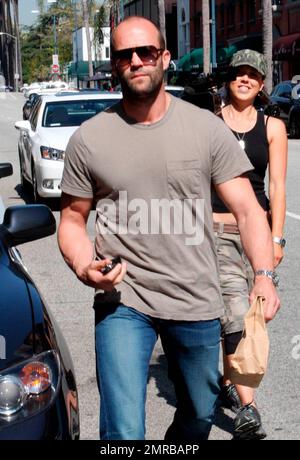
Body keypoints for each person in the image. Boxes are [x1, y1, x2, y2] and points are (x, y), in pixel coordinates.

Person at [58, 17, 280, 441]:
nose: (136, 62)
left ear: (164, 57)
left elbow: (250, 211)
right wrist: (85, 265)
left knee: (199, 411)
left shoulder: (204, 128)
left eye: (145, 53)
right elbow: (70, 222)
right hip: (123, 300)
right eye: (125, 55)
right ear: (113, 64)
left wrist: (264, 277)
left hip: (195, 297)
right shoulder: (90, 139)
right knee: (123, 430)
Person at [212, 49, 288, 439]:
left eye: (252, 76)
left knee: (256, 316)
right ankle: (249, 407)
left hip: (256, 234)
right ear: (230, 80)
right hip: (219, 231)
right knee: (236, 312)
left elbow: (276, 187)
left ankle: (228, 380)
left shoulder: (272, 127)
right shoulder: (210, 124)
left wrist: (276, 238)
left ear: (261, 84)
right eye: (238, 74)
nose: (244, 80)